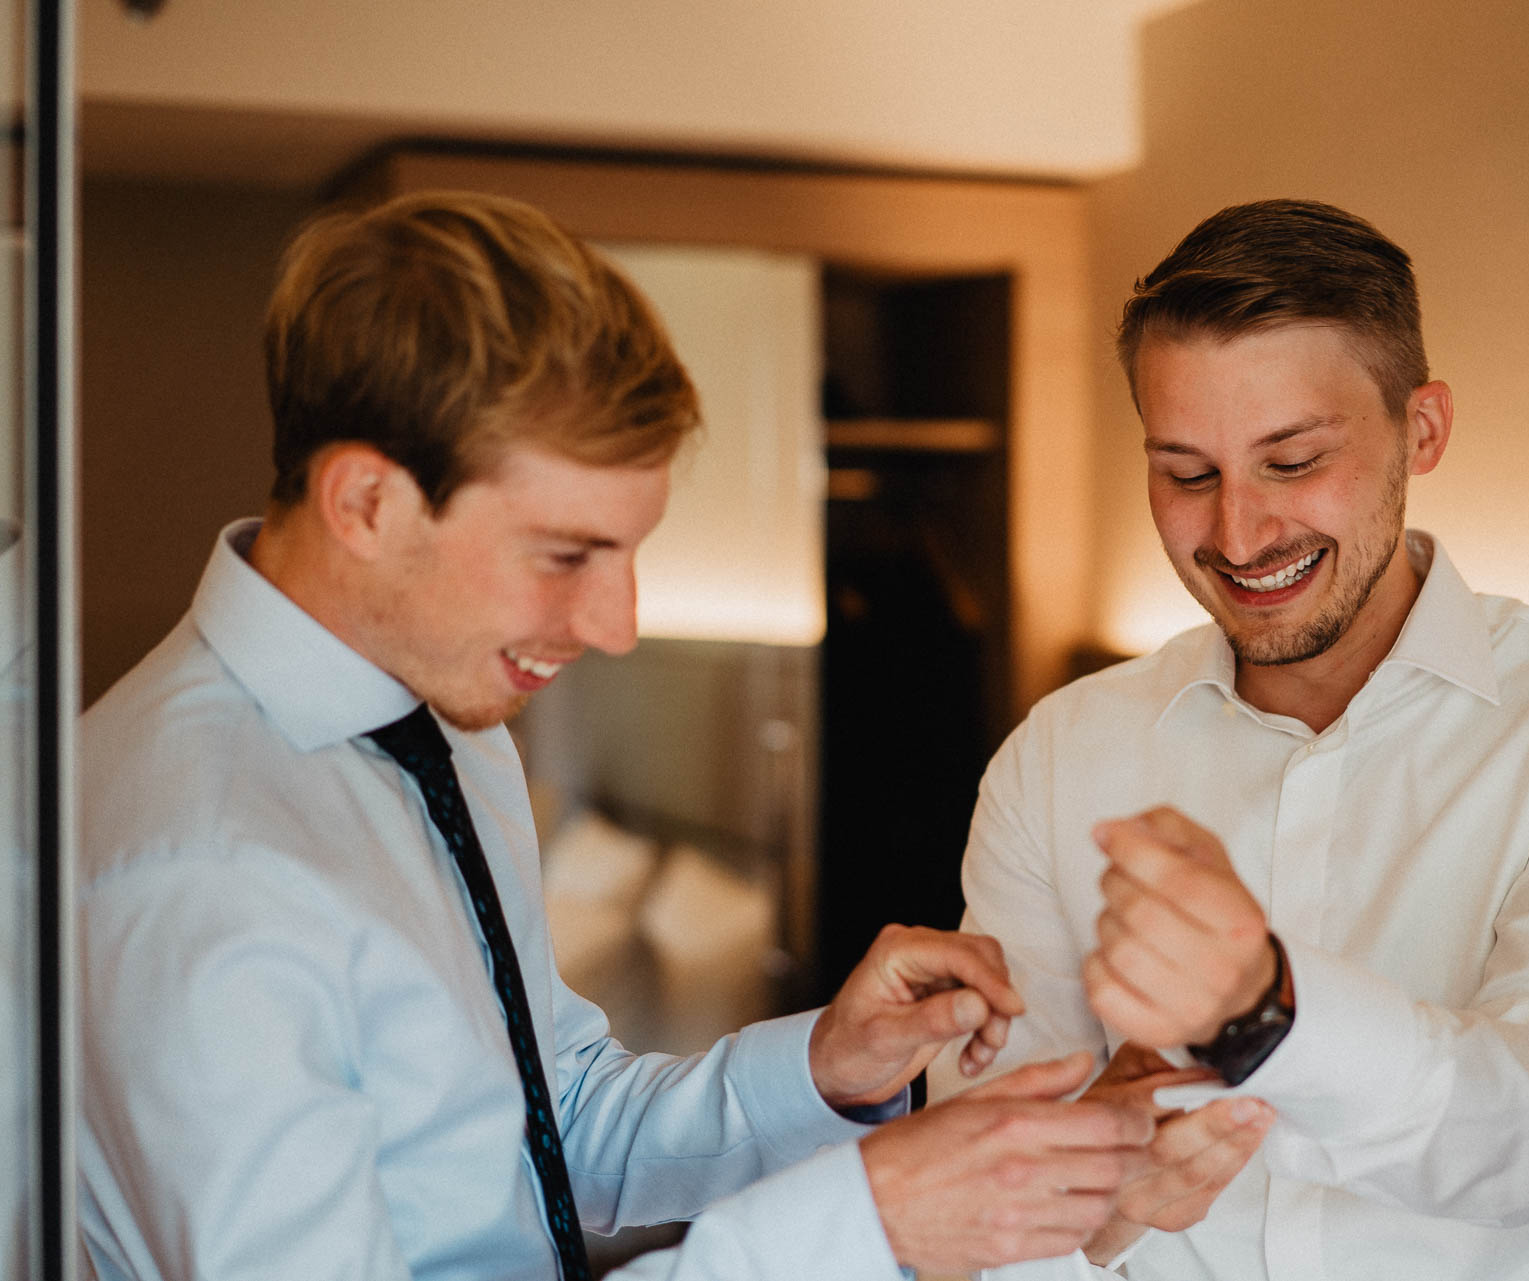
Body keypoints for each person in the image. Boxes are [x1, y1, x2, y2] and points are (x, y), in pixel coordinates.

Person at [77, 191, 1152, 1281]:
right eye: (565, 555)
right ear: (365, 503)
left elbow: (548, 1125)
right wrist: (864, 1233)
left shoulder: (441, 726)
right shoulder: (197, 869)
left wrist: (824, 1070)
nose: (618, 626)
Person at [928, 199, 1529, 1280]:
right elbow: (984, 1185)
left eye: (1293, 460)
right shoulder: (1061, 751)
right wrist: (1104, 1199)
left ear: (1424, 429)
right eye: (1185, 472)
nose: (1237, 534)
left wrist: (1263, 1011)